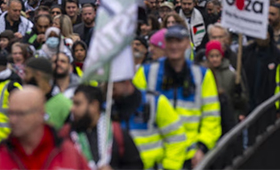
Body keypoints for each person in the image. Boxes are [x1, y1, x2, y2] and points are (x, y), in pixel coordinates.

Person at [132, 25, 221, 166]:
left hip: (190, 156)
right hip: (156, 157)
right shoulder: (146, 73)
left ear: (187, 43)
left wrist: (202, 147)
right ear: (165, 44)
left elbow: (211, 117)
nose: (174, 46)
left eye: (178, 41)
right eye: (170, 41)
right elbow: (134, 113)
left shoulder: (203, 76)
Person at [0, 86, 88, 170]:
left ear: (40, 113)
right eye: (10, 113)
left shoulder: (69, 154)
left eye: (20, 114)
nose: (13, 120)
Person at [69, 83, 143, 170]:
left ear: (94, 106)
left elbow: (136, 166)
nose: (72, 108)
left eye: (77, 104)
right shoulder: (67, 136)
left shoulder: (117, 133)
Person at [202, 40, 248, 133]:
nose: (214, 59)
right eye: (211, 56)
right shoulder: (203, 74)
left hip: (229, 118)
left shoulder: (231, 74)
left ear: (221, 56)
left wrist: (238, 93)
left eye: (217, 56)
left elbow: (242, 100)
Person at [23, 57, 72, 129]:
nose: (24, 78)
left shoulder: (64, 105)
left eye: (27, 73)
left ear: (38, 75)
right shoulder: (23, 101)